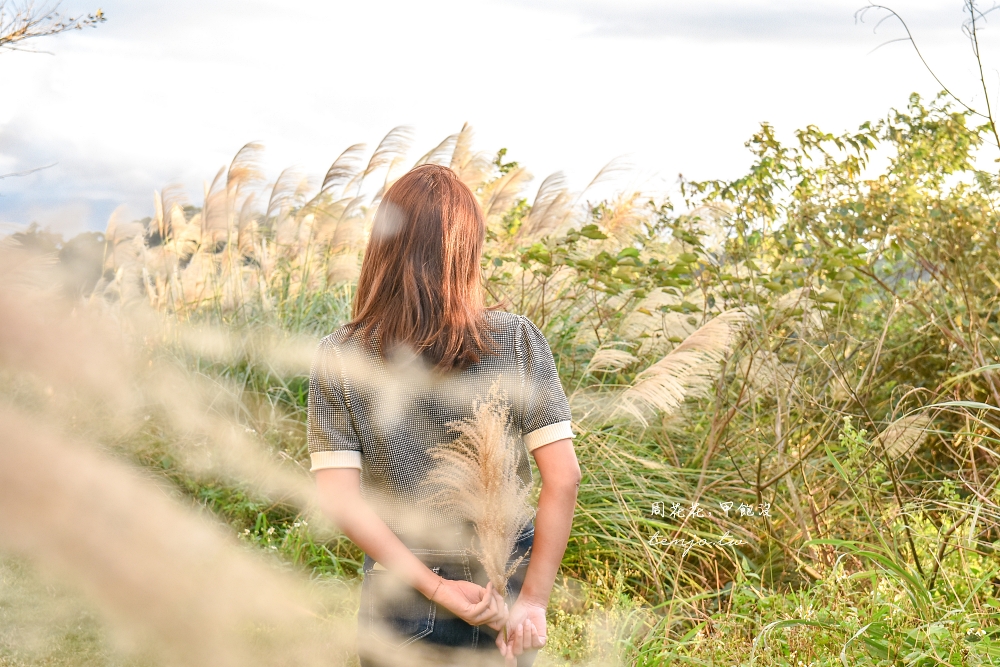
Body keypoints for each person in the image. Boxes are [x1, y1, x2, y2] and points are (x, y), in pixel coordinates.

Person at [307, 163, 581, 666]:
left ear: (383, 246)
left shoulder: (339, 355)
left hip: (402, 582)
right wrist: (534, 601)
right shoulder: (516, 341)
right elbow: (563, 479)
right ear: (468, 248)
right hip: (505, 574)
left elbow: (341, 499)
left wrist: (434, 588)